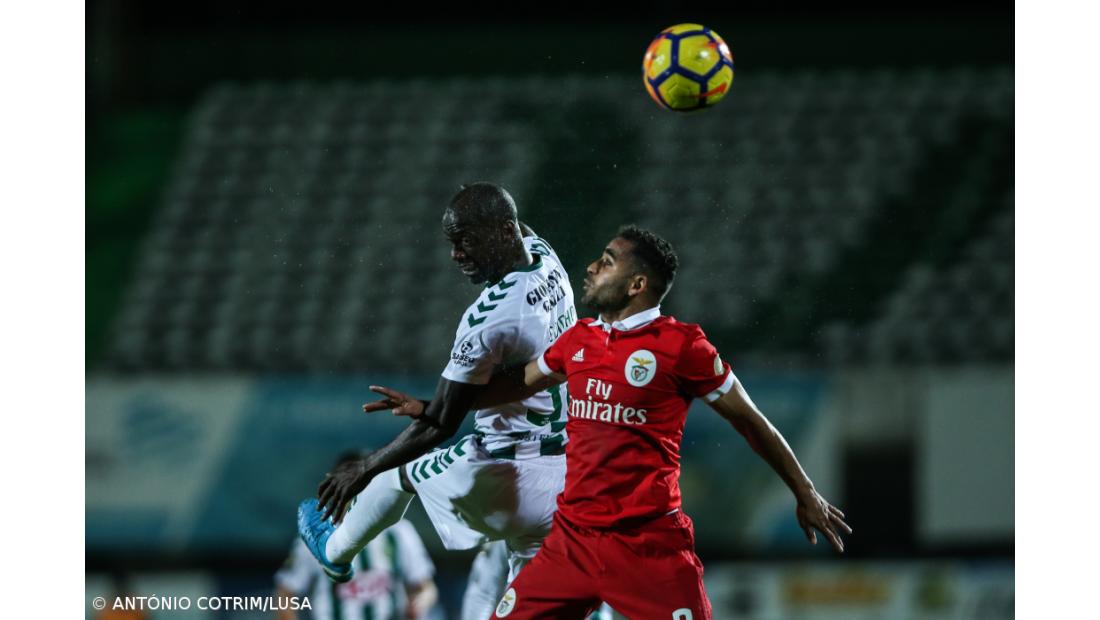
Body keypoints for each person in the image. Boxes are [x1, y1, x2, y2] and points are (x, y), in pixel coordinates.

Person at [370, 225, 851, 619]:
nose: (592, 267)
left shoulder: (683, 347)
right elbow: (518, 384)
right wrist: (437, 407)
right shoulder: (579, 339)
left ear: (637, 284)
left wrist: (805, 493)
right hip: (572, 542)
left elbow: (751, 421)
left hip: (648, 547)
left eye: (607, 260)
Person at [296, 182, 578, 619]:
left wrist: (365, 467)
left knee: (395, 478)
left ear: (504, 233)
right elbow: (522, 226)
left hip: (510, 469)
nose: (456, 255)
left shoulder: (489, 317)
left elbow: (440, 424)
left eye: (465, 240)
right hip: (567, 475)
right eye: (452, 242)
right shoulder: (548, 260)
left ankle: (333, 549)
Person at [277, 454, 438, 620]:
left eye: (366, 484)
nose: (358, 493)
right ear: (334, 488)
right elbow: (285, 594)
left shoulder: (400, 532)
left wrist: (419, 604)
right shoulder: (316, 536)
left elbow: (425, 587)